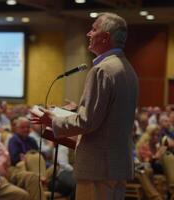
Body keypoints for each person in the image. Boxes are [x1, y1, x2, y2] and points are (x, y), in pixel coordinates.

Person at [30, 12, 139, 200]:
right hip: (116, 164)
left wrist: (54, 120)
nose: (89, 33)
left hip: (98, 167)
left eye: (94, 29)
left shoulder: (103, 70)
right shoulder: (127, 69)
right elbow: (106, 117)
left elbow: (88, 121)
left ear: (105, 37)